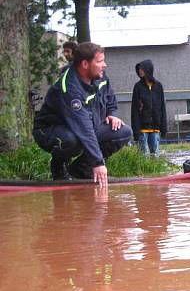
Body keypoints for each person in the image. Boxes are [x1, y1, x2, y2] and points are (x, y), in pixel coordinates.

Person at [33, 42, 132, 184]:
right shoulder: (69, 87)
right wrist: (98, 163)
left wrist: (112, 114)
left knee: (123, 132)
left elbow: (110, 98)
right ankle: (59, 169)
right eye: (100, 61)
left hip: (87, 125)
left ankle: (81, 170)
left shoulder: (101, 76)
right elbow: (83, 128)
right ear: (85, 64)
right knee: (72, 140)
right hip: (50, 130)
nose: (105, 65)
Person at [131, 60, 167, 156]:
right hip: (142, 129)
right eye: (139, 69)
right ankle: (144, 171)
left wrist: (163, 128)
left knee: (155, 154)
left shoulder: (158, 86)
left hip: (156, 128)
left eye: (142, 69)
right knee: (144, 155)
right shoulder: (137, 87)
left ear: (148, 70)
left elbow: (162, 107)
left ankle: (155, 171)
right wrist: (136, 130)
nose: (140, 71)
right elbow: (134, 109)